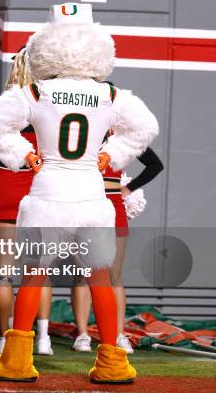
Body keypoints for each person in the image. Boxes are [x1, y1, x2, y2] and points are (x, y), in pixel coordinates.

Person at [0, 3, 158, 383]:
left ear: (47, 45)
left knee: (33, 276)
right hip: (91, 194)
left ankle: (16, 362)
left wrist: (22, 154)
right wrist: (113, 154)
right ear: (96, 45)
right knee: (100, 277)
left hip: (48, 192)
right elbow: (145, 128)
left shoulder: (37, 91)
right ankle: (112, 363)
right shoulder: (110, 94)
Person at [70, 146, 163, 353]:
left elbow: (155, 165)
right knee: (83, 274)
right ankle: (82, 334)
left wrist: (129, 188)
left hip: (113, 203)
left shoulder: (124, 137)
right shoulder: (86, 129)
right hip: (83, 202)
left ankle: (118, 333)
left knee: (114, 275)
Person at [0, 49, 39, 354]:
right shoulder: (45, 104)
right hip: (35, 189)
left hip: (4, 186)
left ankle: (4, 337)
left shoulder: (1, 106)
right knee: (35, 270)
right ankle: (32, 338)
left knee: (3, 272)